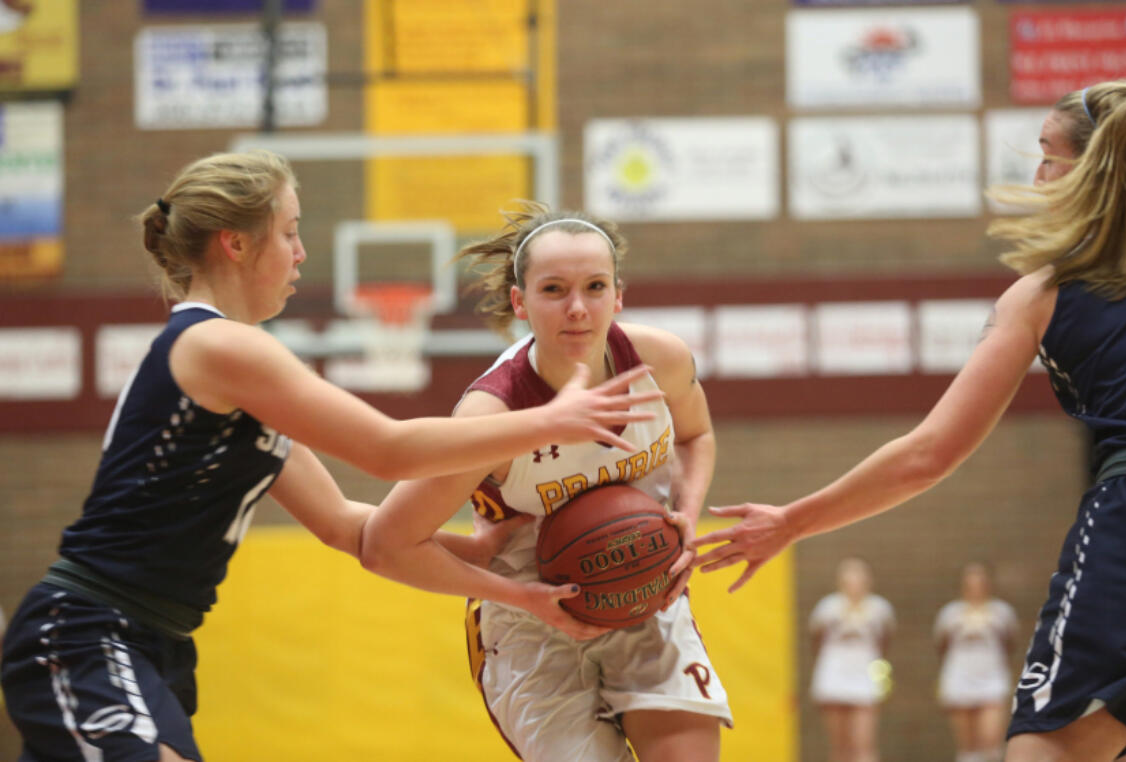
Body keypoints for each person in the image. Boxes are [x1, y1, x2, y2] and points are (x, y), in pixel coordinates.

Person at [0, 152, 661, 762]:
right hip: (87, 631)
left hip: (152, 644)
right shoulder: (218, 345)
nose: (300, 253)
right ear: (235, 243)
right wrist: (545, 419)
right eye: (289, 233)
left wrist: (500, 578)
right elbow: (387, 449)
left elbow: (353, 530)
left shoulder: (234, 374)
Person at [695, 79, 1126, 761]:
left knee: (1050, 750)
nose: (1037, 174)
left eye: (1047, 156)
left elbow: (929, 453)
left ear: (1089, 170)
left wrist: (795, 520)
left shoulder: (1043, 291)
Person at [359, 203, 733, 762]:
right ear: (520, 301)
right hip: (529, 613)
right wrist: (523, 597)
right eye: (554, 289)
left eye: (595, 287)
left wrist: (686, 510)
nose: (578, 308)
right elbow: (386, 545)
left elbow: (696, 435)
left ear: (618, 295)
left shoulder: (660, 360)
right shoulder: (491, 415)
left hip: (638, 588)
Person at [808, 557, 894, 762]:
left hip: (864, 674)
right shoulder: (827, 607)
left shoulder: (880, 608)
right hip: (834, 672)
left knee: (864, 743)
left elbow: (885, 640)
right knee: (839, 745)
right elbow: (816, 640)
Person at [934, 562, 1019, 762]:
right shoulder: (950, 614)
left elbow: (1009, 644)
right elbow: (942, 646)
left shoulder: (1002, 612)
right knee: (968, 746)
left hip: (991, 679)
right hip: (960, 677)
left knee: (991, 741)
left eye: (980, 580)